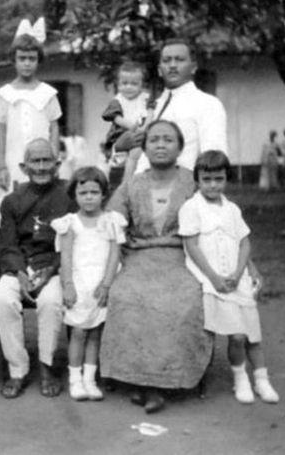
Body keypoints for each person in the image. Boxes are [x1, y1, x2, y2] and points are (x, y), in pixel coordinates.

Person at [100, 120, 213, 414]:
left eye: (168, 140)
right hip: (139, 257)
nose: (160, 145)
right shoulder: (133, 184)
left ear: (180, 147)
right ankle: (138, 379)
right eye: (154, 140)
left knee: (182, 299)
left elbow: (216, 219)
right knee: (127, 294)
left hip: (182, 257)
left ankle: (161, 382)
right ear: (145, 147)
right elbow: (112, 217)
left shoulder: (193, 182)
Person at [179, 150, 279, 404]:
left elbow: (243, 243)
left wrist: (242, 271)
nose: (213, 185)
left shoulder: (232, 209)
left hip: (237, 279)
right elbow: (192, 246)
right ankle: (240, 378)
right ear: (197, 180)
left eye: (219, 179)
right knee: (236, 335)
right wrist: (214, 277)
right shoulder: (191, 208)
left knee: (252, 334)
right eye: (207, 179)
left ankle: (262, 380)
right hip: (212, 281)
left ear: (226, 179)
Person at [0, 138, 76, 399]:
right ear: (23, 167)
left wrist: (52, 270)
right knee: (1, 300)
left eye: (46, 160)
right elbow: (7, 245)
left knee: (51, 301)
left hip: (55, 266)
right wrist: (20, 273)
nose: (41, 167)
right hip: (21, 266)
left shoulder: (70, 196)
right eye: (35, 161)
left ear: (57, 164)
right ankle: (18, 369)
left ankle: (47, 366)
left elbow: (76, 241)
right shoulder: (11, 201)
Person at [51, 167, 126, 401]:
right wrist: (68, 285)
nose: (89, 198)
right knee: (79, 332)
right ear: (74, 195)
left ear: (104, 194)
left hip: (100, 283)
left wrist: (106, 284)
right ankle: (75, 379)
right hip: (79, 282)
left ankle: (90, 380)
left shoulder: (111, 221)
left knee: (95, 333)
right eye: (83, 193)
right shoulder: (70, 223)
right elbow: (66, 257)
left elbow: (114, 255)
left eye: (94, 192)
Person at [130, 38, 227, 175]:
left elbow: (214, 157)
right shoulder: (152, 107)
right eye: (166, 60)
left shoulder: (208, 104)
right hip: (142, 184)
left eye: (179, 60)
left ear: (193, 67)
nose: (172, 65)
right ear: (159, 70)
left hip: (184, 184)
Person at [0, 18, 62, 196]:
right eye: (22, 58)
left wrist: (54, 162)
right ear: (14, 60)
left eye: (32, 59)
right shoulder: (4, 94)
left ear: (39, 60)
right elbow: (0, 133)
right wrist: (1, 167)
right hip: (13, 162)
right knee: (13, 201)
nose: (27, 63)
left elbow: (54, 129)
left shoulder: (48, 94)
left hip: (42, 164)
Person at [102, 61, 151, 189]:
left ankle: (128, 182)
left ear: (142, 85)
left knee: (136, 155)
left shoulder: (145, 98)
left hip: (141, 134)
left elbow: (151, 112)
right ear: (118, 84)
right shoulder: (118, 100)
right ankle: (125, 184)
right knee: (118, 162)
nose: (129, 87)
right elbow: (115, 117)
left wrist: (145, 127)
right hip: (121, 134)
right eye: (124, 83)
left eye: (134, 84)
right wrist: (131, 126)